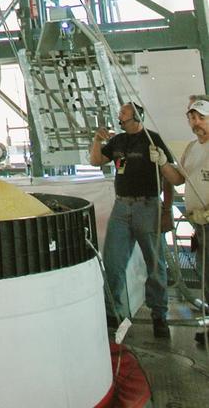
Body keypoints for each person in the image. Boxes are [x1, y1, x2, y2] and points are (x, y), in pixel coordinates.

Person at [89, 100, 181, 338]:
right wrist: (97, 140)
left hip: (148, 205)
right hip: (122, 206)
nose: (119, 116)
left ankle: (159, 315)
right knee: (113, 261)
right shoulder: (118, 141)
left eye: (124, 113)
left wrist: (167, 209)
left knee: (154, 263)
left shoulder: (153, 139)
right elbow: (95, 161)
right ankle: (113, 315)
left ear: (136, 117)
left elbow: (169, 176)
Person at [179, 96, 209, 347]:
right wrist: (162, 163)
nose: (196, 122)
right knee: (205, 275)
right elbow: (178, 178)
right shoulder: (191, 148)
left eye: (201, 117)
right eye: (192, 118)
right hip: (200, 225)